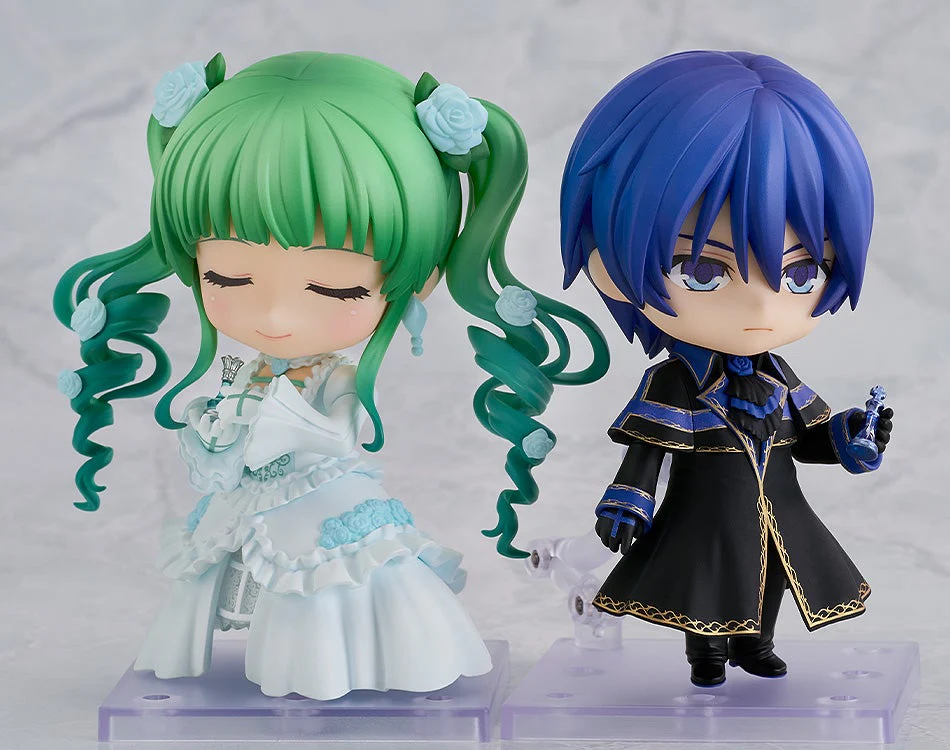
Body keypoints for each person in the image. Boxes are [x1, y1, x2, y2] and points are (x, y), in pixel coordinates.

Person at [54, 51, 608, 699]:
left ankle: (316, 669)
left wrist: (275, 427)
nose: (276, 315)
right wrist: (215, 430)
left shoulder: (333, 378)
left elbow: (338, 436)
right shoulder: (250, 368)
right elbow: (223, 437)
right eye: (228, 277)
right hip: (248, 496)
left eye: (332, 288)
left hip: (318, 499)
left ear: (421, 278)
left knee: (318, 583)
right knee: (215, 571)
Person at [559, 50, 894, 688]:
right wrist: (628, 500)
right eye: (703, 271)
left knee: (773, 575)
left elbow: (808, 437)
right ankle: (707, 654)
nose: (763, 307)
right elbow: (646, 455)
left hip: (778, 507)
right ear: (610, 266)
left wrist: (852, 437)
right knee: (707, 580)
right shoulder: (675, 382)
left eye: (802, 273)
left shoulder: (779, 374)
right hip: (703, 513)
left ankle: (756, 644)